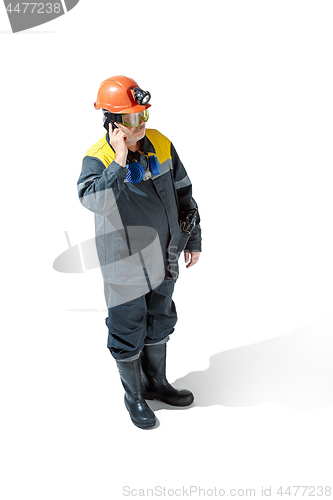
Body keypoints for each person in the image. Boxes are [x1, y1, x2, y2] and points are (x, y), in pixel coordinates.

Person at [77, 75, 202, 429]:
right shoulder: (98, 158)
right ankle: (133, 395)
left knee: (160, 318)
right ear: (113, 122)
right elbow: (93, 200)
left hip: (165, 255)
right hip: (125, 264)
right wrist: (118, 160)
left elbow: (183, 194)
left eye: (143, 115)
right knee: (127, 326)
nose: (140, 124)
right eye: (131, 118)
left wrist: (192, 239)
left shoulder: (160, 143)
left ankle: (156, 384)